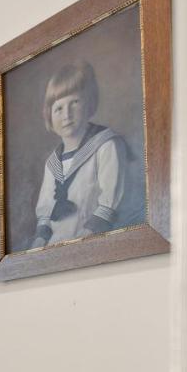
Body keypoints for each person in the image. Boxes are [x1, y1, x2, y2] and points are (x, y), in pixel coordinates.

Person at [30, 62, 130, 248]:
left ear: (89, 104)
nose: (66, 115)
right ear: (49, 116)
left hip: (94, 242)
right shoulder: (52, 163)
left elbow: (109, 206)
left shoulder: (106, 145)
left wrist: (85, 241)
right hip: (55, 248)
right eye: (58, 108)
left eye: (74, 103)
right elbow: (45, 215)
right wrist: (39, 242)